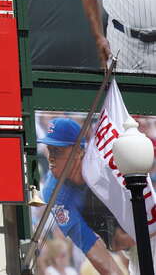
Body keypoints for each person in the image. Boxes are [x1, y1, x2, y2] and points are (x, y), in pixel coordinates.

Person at [39, 117, 133, 275]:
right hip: (120, 240)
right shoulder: (54, 192)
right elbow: (90, 245)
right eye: (49, 149)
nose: (51, 158)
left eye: (58, 150)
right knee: (118, 239)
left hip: (142, 224)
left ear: (79, 151)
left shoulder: (103, 163)